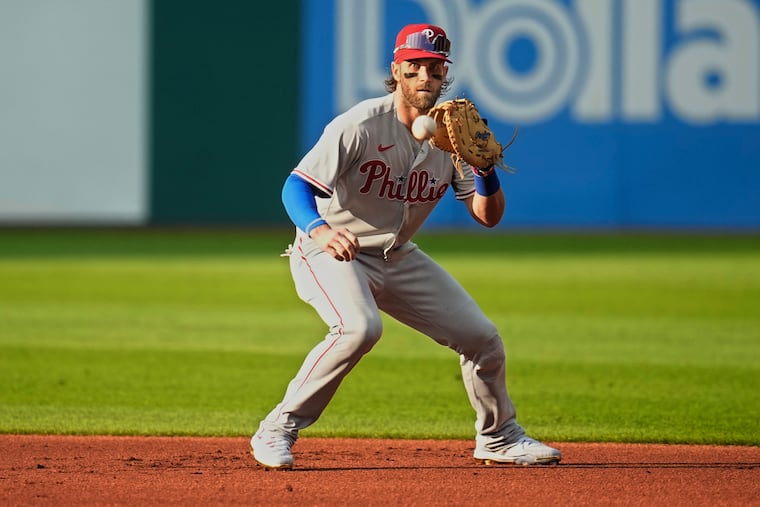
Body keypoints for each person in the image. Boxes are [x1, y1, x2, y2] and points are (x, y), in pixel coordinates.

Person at [251, 23, 561, 469]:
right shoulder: (359, 125)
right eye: (414, 68)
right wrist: (319, 229)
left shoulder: (450, 135)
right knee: (359, 329)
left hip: (397, 255)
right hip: (333, 249)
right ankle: (278, 427)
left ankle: (499, 438)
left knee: (483, 340)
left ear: (443, 78)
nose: (424, 78)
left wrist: (485, 171)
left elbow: (488, 217)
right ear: (396, 70)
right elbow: (295, 187)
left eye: (434, 70)